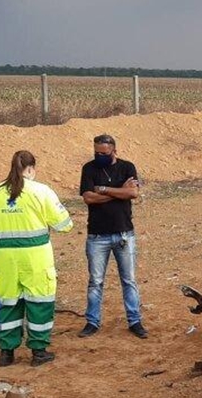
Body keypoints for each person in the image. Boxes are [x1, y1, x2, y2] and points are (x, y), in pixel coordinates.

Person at [0, 151, 73, 366]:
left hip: (6, 259)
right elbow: (64, 225)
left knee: (8, 304)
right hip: (36, 258)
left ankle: (6, 353)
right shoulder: (41, 191)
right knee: (39, 303)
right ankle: (39, 352)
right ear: (31, 168)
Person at [78, 134, 147, 339]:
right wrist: (119, 191)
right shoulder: (88, 168)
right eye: (97, 152)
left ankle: (134, 321)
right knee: (96, 281)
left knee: (129, 280)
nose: (99, 156)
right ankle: (92, 321)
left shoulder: (127, 167)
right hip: (97, 235)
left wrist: (105, 189)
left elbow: (132, 194)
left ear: (114, 150)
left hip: (123, 232)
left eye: (104, 153)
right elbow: (88, 197)